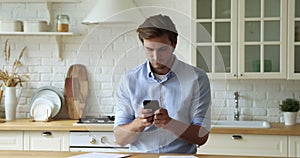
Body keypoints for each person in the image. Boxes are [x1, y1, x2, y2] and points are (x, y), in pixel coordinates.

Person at [113, 14, 211, 154]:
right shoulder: (129, 80)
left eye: (162, 49)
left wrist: (170, 123)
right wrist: (139, 123)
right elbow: (119, 139)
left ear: (174, 43)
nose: (156, 57)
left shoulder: (197, 79)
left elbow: (201, 137)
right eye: (149, 49)